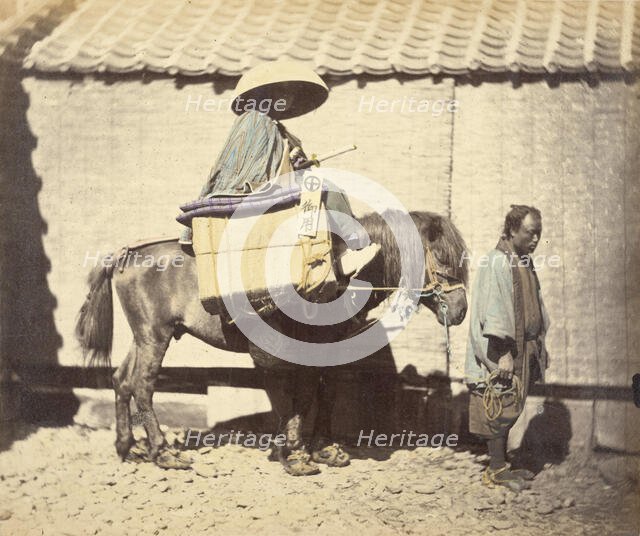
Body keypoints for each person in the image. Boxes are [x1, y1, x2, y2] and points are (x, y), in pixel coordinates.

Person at [179, 60, 379, 278]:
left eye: (292, 93)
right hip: (247, 190)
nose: (290, 98)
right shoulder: (254, 121)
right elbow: (253, 166)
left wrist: (297, 164)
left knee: (322, 186)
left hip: (271, 186)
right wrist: (293, 169)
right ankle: (350, 249)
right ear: (267, 95)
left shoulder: (275, 127)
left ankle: (332, 251)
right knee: (325, 187)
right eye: (283, 92)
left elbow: (279, 163)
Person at [464, 205, 550, 492]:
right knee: (499, 404)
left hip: (523, 347)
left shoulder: (523, 262)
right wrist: (502, 354)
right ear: (512, 230)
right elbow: (494, 310)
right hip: (502, 349)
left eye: (539, 233)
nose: (536, 239)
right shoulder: (497, 262)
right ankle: (496, 469)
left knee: (512, 404)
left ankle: (501, 464)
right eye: (530, 233)